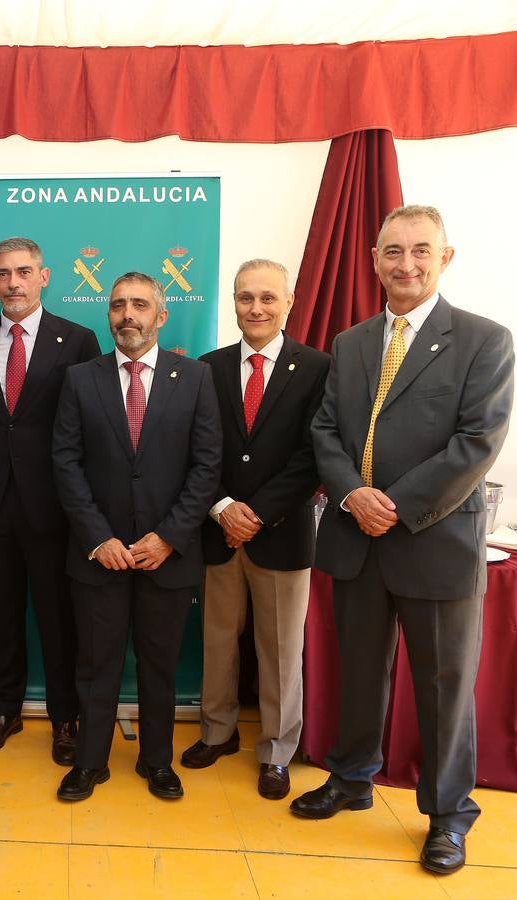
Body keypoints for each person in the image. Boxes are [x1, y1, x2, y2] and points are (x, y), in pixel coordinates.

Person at [291, 205, 514, 876]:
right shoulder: (353, 342)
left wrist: (396, 503)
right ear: (373, 258)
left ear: (445, 257)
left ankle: (448, 817)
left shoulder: (483, 339)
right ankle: (352, 777)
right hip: (357, 538)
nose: (406, 263)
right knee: (358, 671)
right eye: (393, 251)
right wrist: (351, 494)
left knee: (444, 687)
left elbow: (477, 442)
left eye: (421, 250)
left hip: (435, 542)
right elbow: (326, 430)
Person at [51, 272, 221, 802]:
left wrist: (169, 536)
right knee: (96, 665)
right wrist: (98, 537)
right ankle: (90, 763)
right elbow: (66, 463)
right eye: (119, 305)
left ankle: (157, 761)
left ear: (161, 315)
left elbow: (207, 465)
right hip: (99, 555)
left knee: (160, 666)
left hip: (166, 556)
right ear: (109, 315)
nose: (129, 315)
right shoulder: (81, 378)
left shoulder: (194, 378)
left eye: (140, 305)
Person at [183, 259, 330, 800]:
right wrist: (223, 507)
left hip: (282, 534)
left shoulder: (317, 368)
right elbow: (199, 450)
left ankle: (276, 750)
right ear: (234, 303)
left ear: (289, 302)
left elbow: (313, 456)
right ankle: (217, 733)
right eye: (246, 298)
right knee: (217, 643)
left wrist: (257, 513)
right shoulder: (208, 368)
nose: (257, 308)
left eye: (268, 298)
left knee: (280, 649)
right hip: (218, 532)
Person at [0, 236, 99, 763]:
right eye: (2, 273)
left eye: (23, 272)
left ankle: (66, 717)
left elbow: (88, 429)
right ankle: (5, 709)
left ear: (44, 276)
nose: (12, 282)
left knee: (59, 619)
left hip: (54, 508)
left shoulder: (78, 340)